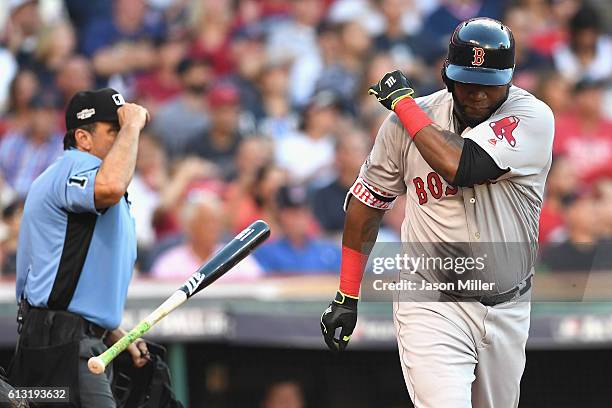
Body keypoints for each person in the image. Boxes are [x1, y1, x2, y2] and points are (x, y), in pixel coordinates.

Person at [320, 17, 555, 408]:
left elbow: (460, 166)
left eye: (489, 83)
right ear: (446, 75)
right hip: (431, 302)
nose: (478, 94)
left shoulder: (533, 117)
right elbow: (366, 203)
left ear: (510, 79)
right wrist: (347, 294)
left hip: (509, 305)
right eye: (467, 81)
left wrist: (403, 105)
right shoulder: (406, 121)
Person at [10, 88, 151, 407]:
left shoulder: (91, 177)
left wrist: (112, 331)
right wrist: (132, 125)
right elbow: (111, 186)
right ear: (83, 139)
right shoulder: (76, 167)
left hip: (66, 342)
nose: (124, 137)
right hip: (61, 345)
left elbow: (72, 274)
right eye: (113, 131)